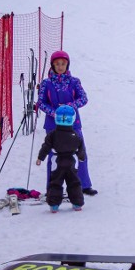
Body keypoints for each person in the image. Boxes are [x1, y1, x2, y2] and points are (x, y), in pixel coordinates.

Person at [37, 50, 98, 195]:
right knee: (53, 155)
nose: (60, 66)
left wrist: (69, 106)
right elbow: (41, 102)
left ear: (67, 65)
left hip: (73, 123)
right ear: (52, 65)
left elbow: (83, 98)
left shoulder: (74, 81)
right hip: (53, 125)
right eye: (57, 64)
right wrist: (54, 112)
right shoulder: (46, 83)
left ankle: (84, 185)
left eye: (63, 64)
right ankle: (52, 187)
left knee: (80, 152)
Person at [36, 105, 86, 212]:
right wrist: (81, 158)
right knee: (74, 182)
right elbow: (81, 148)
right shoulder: (75, 135)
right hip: (72, 161)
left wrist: (41, 157)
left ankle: (54, 204)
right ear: (73, 119)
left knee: (55, 182)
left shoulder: (53, 135)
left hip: (57, 161)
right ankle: (77, 203)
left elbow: (46, 146)